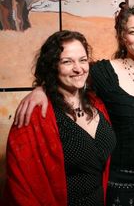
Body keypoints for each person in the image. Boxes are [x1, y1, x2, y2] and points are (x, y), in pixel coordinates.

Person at [12, 4, 134, 206]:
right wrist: (41, 89)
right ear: (123, 37)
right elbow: (69, 76)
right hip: (122, 185)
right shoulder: (104, 72)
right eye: (133, 32)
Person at [2, 30, 116, 205]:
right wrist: (41, 89)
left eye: (82, 60)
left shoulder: (96, 103)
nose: (78, 68)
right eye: (67, 62)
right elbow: (21, 188)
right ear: (52, 66)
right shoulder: (35, 113)